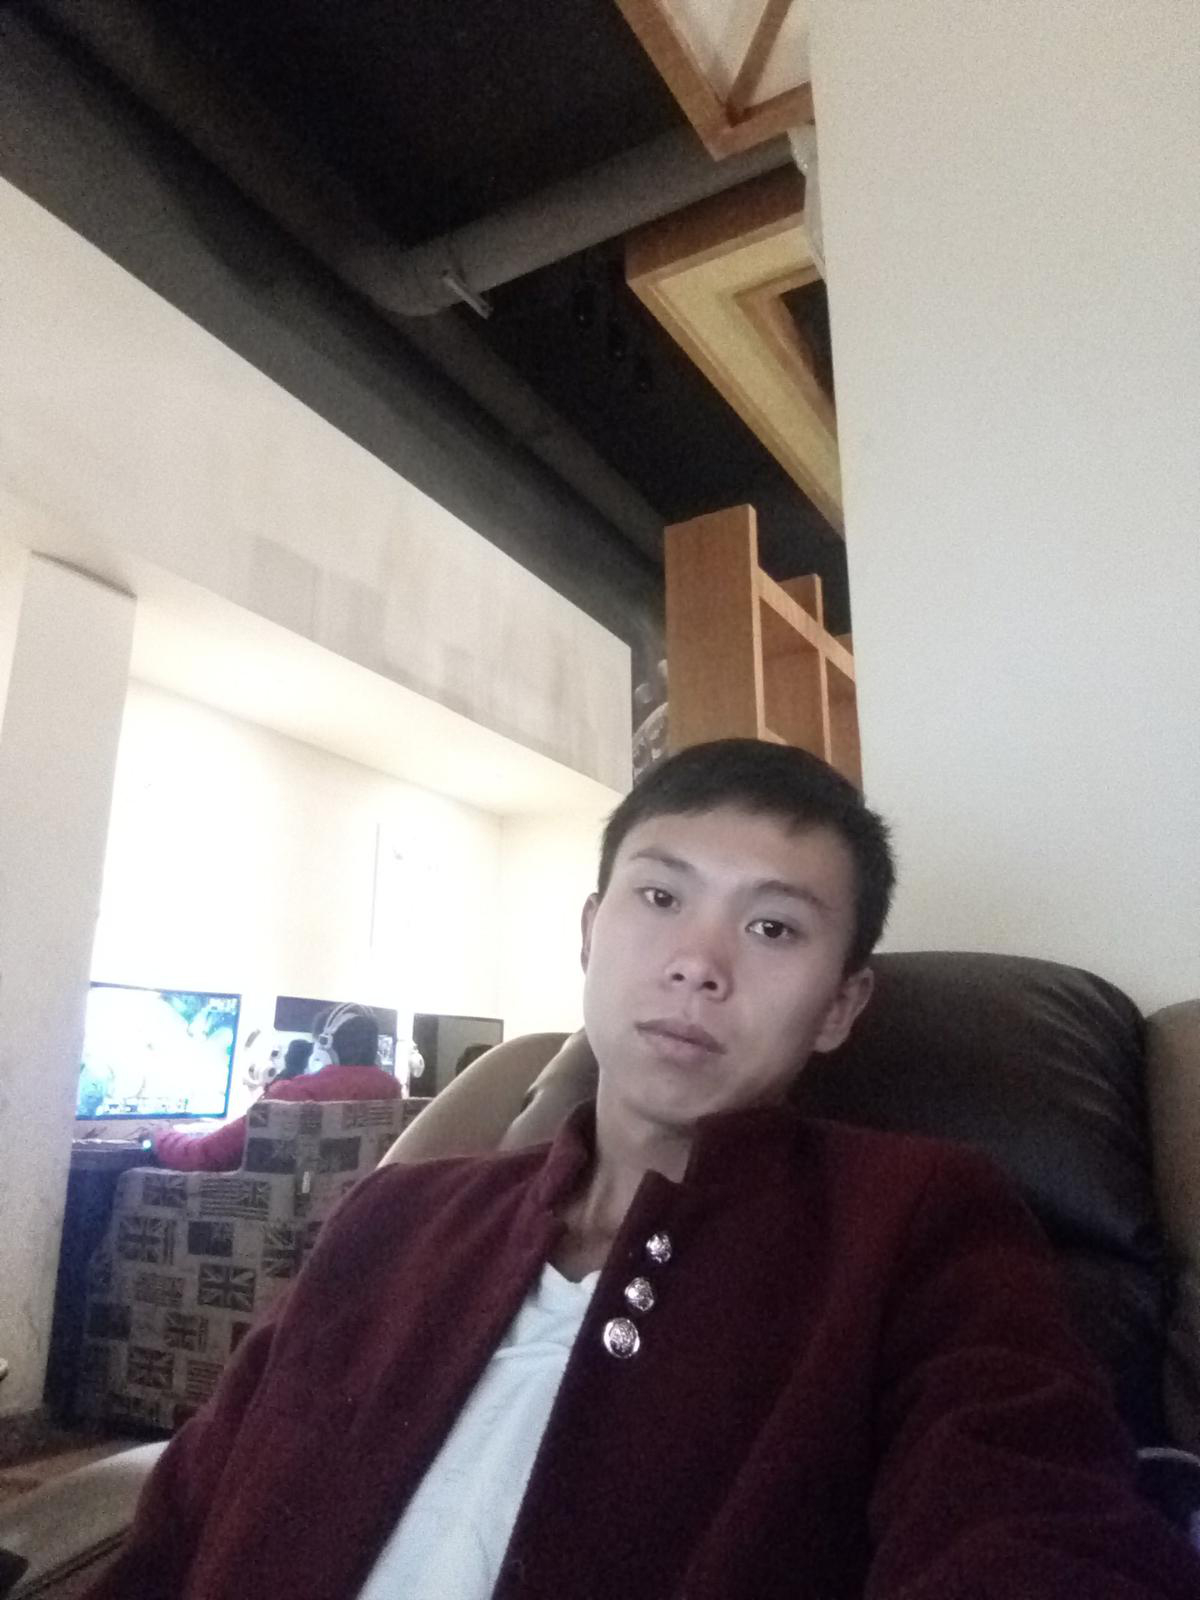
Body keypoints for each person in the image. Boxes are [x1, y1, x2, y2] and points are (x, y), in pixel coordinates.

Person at [88, 741, 1199, 1598]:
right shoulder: (396, 1214)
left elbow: (1028, 1516)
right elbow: (180, 1524)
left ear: (841, 1006)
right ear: (590, 932)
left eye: (773, 929)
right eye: (661, 897)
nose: (697, 964)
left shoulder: (917, 1220)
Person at [152, 1002, 400, 1172]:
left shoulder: (290, 1096)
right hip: (353, 1223)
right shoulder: (392, 1097)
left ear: (323, 1051)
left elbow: (202, 1157)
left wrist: (160, 1135)